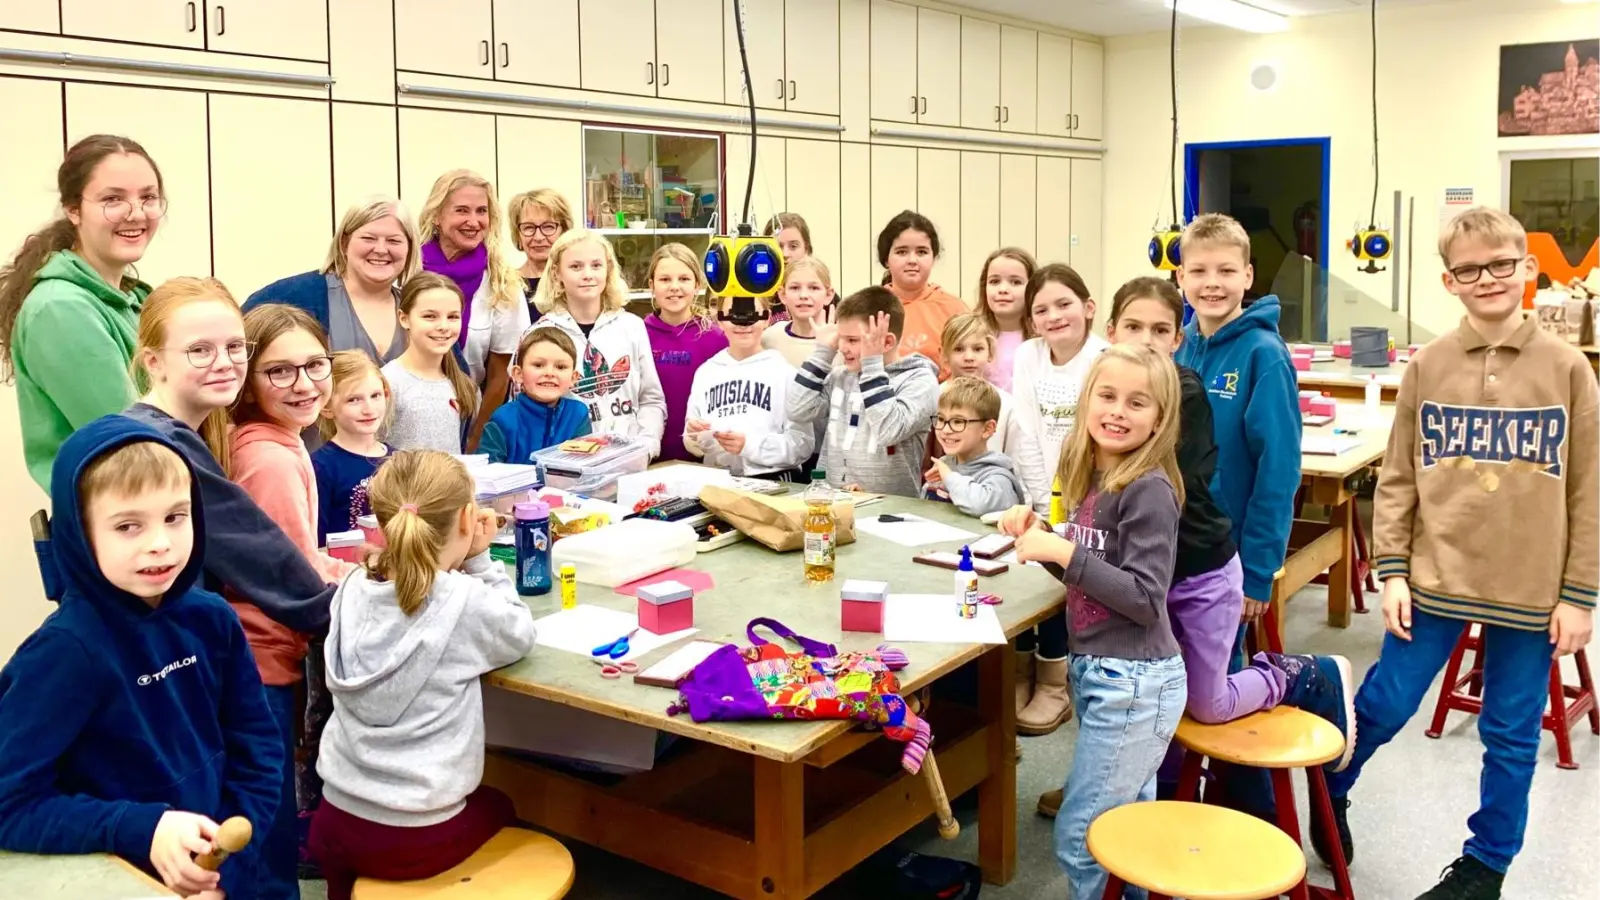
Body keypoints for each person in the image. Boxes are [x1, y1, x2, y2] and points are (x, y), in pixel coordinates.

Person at [1318, 208, 1597, 900]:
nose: (1489, 278)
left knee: (1508, 736)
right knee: (1383, 703)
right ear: (1449, 280)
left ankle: (1485, 867)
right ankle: (1330, 796)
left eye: (1502, 263)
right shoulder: (1429, 367)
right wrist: (1389, 571)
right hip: (1433, 578)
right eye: (1470, 269)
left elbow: (1590, 491)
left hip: (1531, 593)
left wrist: (1580, 595)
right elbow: (1399, 480)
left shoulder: (1568, 371)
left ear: (1527, 268)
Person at [1036, 276, 1354, 819]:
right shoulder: (1101, 422)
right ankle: (1134, 791)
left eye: (1161, 329)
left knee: (1205, 703)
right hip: (1145, 580)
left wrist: (1069, 549)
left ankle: (1303, 674)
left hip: (1199, 576)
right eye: (1133, 327)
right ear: (1110, 332)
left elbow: (1158, 510)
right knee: (1149, 693)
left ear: (1178, 337)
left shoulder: (1179, 399)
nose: (1147, 339)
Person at [0, 417, 282, 900]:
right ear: (80, 534)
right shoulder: (64, 653)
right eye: (128, 525)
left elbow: (258, 750)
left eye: (176, 517)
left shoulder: (213, 619)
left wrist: (224, 868)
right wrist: (140, 828)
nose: (160, 542)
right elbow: (10, 803)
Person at [998, 344, 1188, 900]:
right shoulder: (1092, 477)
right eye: (1107, 396)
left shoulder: (1147, 489)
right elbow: (1092, 577)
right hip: (1103, 674)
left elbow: (1146, 597)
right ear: (1086, 401)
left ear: (1160, 419)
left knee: (1084, 838)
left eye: (1137, 403)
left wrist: (1062, 554)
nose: (1117, 411)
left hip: (1134, 683)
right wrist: (1044, 539)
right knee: (1129, 830)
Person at [310, 450, 538, 900]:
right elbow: (519, 632)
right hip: (411, 838)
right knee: (504, 804)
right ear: (469, 518)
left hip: (332, 818)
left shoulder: (352, 586)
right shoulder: (463, 602)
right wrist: (479, 559)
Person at [228, 304, 355, 900]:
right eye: (280, 371)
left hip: (264, 655)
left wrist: (356, 567)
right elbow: (291, 578)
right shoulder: (271, 458)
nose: (304, 384)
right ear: (248, 378)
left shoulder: (278, 441)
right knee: (265, 822)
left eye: (314, 365)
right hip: (261, 663)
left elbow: (296, 553)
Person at [123, 277, 333, 636]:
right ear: (153, 362)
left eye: (234, 346)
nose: (223, 363)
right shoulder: (163, 447)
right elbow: (277, 574)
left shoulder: (180, 436)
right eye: (200, 350)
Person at [0, 134, 164, 489]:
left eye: (148, 197)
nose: (136, 212)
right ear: (73, 209)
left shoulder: (128, 299)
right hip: (117, 521)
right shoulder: (61, 309)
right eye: (112, 199)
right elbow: (133, 442)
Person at [1010, 263, 1109, 735]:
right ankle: (1022, 673)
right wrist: (1037, 501)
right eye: (1041, 310)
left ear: (1089, 308)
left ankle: (1055, 683)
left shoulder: (1104, 357)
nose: (1053, 316)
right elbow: (1027, 431)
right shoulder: (1028, 356)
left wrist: (1075, 508)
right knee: (1029, 571)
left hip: (1094, 491)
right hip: (1042, 489)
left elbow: (1103, 438)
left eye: (1064, 304)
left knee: (1067, 581)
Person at [788, 286, 939, 497]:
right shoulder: (841, 376)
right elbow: (798, 410)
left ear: (887, 342)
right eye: (841, 337)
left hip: (892, 510)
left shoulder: (920, 381)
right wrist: (822, 353)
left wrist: (872, 365)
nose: (842, 347)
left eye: (852, 340)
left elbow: (889, 430)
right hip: (833, 503)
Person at [529, 229, 666, 458]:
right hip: (569, 464)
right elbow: (528, 408)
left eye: (596, 265)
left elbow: (651, 398)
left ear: (609, 269)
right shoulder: (541, 334)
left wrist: (647, 445)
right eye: (575, 266)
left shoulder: (632, 326)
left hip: (628, 459)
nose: (587, 274)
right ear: (556, 273)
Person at [415, 170, 527, 440]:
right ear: (437, 216)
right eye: (462, 210)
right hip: (406, 409)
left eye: (481, 211)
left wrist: (476, 437)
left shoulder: (502, 281)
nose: (473, 221)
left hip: (468, 414)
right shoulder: (409, 270)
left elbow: (500, 375)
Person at [245, 197, 422, 367]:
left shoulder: (424, 310)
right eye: (369, 238)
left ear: (409, 247)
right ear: (344, 243)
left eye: (394, 241)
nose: (381, 249)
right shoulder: (292, 297)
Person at [683, 295, 813, 479]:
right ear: (720, 321)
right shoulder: (706, 373)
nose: (743, 324)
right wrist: (693, 435)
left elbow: (802, 444)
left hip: (773, 480)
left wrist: (750, 446)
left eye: (751, 315)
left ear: (766, 318)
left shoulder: (785, 373)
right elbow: (692, 439)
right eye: (733, 315)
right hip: (719, 481)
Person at [940, 312, 1048, 508]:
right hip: (946, 494)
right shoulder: (935, 398)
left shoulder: (1007, 404)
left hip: (992, 498)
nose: (969, 357)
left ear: (989, 353)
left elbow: (1017, 460)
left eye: (978, 348)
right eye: (958, 349)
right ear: (944, 355)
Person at [643, 243, 726, 463]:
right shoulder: (639, 334)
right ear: (652, 285)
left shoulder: (715, 337)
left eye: (684, 279)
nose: (674, 287)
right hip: (650, 455)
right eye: (664, 279)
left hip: (702, 456)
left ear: (697, 284)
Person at [382, 273, 480, 454]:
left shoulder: (464, 385)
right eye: (430, 316)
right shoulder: (387, 383)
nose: (443, 326)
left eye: (452, 317)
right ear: (404, 318)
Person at [312, 351, 392, 544]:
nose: (369, 409)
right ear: (327, 407)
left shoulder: (398, 459)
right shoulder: (320, 467)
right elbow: (316, 540)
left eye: (375, 396)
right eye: (353, 400)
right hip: (345, 570)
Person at [480, 328, 591, 464]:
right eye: (538, 365)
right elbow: (486, 473)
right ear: (518, 374)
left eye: (560, 367)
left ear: (574, 378)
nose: (550, 373)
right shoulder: (503, 418)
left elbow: (583, 466)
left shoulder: (577, 414)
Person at [922, 376, 1025, 517]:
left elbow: (981, 505)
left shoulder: (998, 478)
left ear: (987, 429)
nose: (945, 429)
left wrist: (949, 478)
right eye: (941, 419)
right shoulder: (945, 466)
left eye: (958, 421)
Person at [876, 210, 964, 371]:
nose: (912, 260)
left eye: (922, 252)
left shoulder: (956, 310)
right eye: (901, 252)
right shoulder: (868, 307)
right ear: (886, 259)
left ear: (934, 257)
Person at [973, 247, 1036, 393]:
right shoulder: (971, 335)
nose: (1003, 289)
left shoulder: (1044, 338)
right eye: (994, 281)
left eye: (1015, 282)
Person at [507, 187, 573, 323]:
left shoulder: (577, 281)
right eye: (529, 227)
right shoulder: (505, 286)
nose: (538, 237)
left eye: (548, 227)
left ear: (564, 231)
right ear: (518, 234)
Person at [762, 256, 836, 368]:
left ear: (828, 294)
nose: (803, 295)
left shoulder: (840, 343)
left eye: (814, 288)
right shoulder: (769, 338)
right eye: (795, 288)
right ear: (782, 294)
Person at [763, 211, 813, 324]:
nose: (785, 254)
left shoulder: (821, 291)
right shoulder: (754, 292)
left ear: (807, 249)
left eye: (793, 246)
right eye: (778, 246)